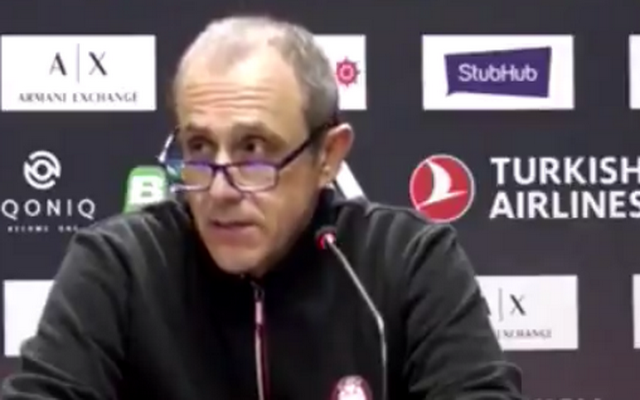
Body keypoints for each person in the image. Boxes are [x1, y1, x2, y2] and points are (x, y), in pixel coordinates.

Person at [1, 15, 523, 400]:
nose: (220, 190)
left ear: (327, 156)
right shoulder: (121, 266)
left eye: (254, 150)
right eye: (199, 148)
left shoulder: (408, 261)